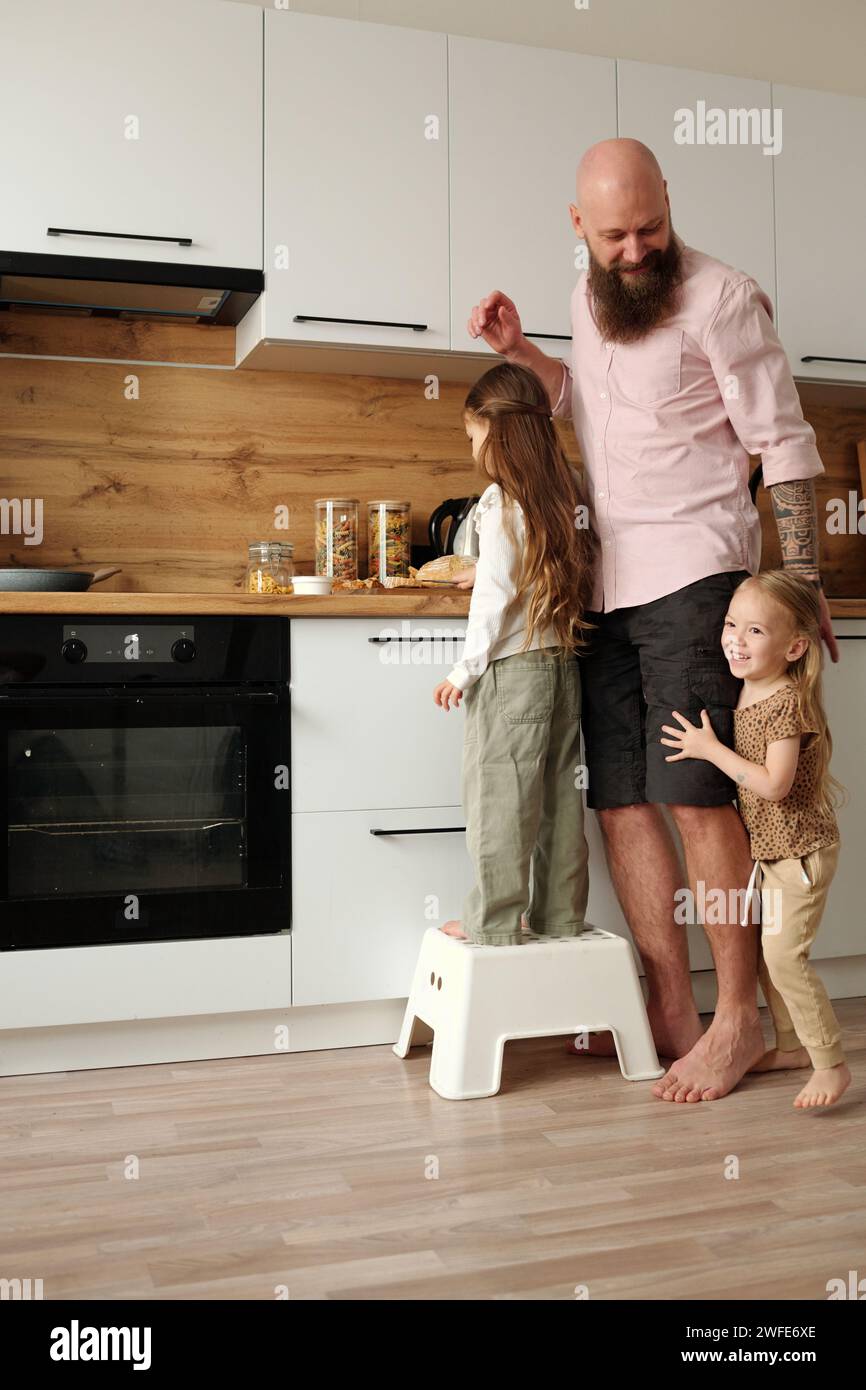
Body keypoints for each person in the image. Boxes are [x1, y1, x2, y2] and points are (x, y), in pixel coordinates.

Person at [464, 136, 837, 1102]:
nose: (636, 252)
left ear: (671, 202)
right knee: (619, 796)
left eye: (652, 228)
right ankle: (670, 1009)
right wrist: (520, 357)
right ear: (578, 227)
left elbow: (785, 444)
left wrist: (798, 588)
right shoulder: (592, 299)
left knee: (698, 796)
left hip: (695, 585)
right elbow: (591, 407)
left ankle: (743, 1019)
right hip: (604, 588)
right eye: (616, 235)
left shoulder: (723, 298)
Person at [660, 570, 849, 1108]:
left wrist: (710, 750)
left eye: (755, 632)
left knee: (785, 957)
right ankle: (791, 1046)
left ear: (794, 647)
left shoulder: (786, 702)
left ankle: (830, 1063)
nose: (735, 641)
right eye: (730, 625)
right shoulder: (751, 685)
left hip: (801, 855)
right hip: (773, 854)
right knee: (766, 957)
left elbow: (773, 783)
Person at [433, 360, 597, 945]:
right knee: (557, 802)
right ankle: (558, 919)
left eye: (473, 434)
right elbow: (531, 568)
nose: (474, 447)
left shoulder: (501, 499)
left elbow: (497, 597)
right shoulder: (565, 489)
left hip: (510, 674)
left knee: (500, 800)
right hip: (561, 669)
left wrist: (464, 668)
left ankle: (492, 926)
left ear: (495, 431)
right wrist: (488, 567)